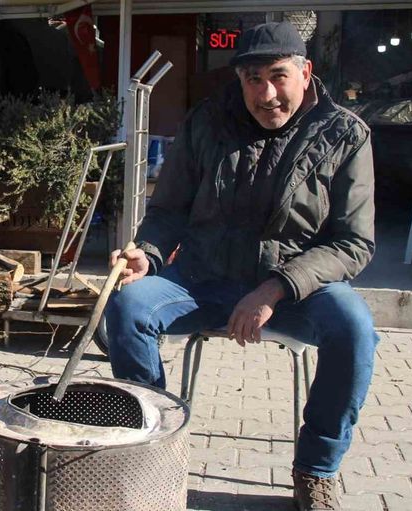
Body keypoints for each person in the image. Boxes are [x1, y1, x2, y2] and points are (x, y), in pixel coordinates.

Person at [102, 21, 378, 511]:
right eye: (254, 79)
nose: (266, 94)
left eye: (278, 76)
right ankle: (149, 450)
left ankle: (316, 470)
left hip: (297, 289)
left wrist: (274, 288)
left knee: (355, 328)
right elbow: (169, 211)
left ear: (305, 72)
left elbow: (353, 243)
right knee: (128, 306)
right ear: (239, 80)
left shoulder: (344, 134)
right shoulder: (206, 122)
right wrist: (148, 251)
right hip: (202, 279)